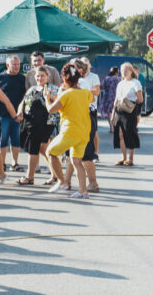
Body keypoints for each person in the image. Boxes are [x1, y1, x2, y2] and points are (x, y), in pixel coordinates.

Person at [45, 62, 95, 199]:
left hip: (70, 132)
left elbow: (51, 110)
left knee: (50, 152)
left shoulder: (66, 94)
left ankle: (61, 180)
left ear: (64, 78)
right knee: (77, 162)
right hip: (84, 132)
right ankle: (83, 191)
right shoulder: (85, 93)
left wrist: (46, 98)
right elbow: (93, 98)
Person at [15, 66, 59, 186]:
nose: (40, 78)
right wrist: (19, 112)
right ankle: (56, 175)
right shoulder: (32, 89)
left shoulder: (53, 89)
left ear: (47, 76)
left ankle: (29, 177)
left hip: (46, 123)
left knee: (33, 149)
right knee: (44, 150)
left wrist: (48, 96)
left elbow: (58, 103)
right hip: (31, 123)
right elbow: (23, 102)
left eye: (42, 76)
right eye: (38, 76)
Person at [64, 58, 100, 192]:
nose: (68, 70)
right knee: (71, 153)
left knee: (85, 153)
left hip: (83, 118)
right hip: (75, 119)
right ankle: (66, 182)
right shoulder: (74, 83)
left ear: (80, 70)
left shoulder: (82, 83)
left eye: (72, 67)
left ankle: (93, 183)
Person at [0, 55, 26, 173]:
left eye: (18, 64)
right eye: (14, 64)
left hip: (18, 116)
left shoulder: (22, 78)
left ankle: (15, 163)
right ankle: (2, 164)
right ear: (7, 65)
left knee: (16, 140)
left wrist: (21, 111)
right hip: (3, 116)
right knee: (3, 141)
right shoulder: (0, 78)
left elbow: (26, 96)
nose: (17, 66)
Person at [112, 62, 144, 166]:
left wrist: (133, 106)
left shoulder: (136, 82)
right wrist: (112, 114)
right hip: (120, 110)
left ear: (131, 71)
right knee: (120, 134)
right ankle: (123, 157)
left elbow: (140, 99)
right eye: (122, 70)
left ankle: (130, 158)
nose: (124, 72)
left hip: (130, 111)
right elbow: (116, 99)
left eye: (126, 70)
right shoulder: (120, 83)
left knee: (129, 133)